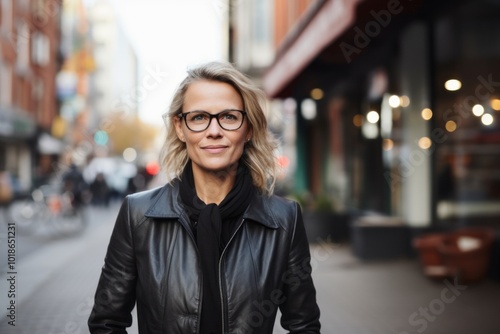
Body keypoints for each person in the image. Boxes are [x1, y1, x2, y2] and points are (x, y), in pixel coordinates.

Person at [88, 61, 321, 333]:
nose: (213, 130)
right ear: (180, 127)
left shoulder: (284, 220)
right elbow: (106, 322)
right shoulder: (138, 215)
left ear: (248, 129)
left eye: (229, 117)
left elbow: (304, 326)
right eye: (198, 117)